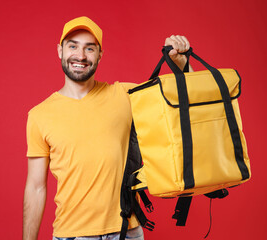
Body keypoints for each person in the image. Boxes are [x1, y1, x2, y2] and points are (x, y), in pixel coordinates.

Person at [23, 16, 192, 240]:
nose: (80, 56)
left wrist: (183, 65)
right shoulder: (39, 115)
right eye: (72, 46)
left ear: (100, 55)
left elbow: (185, 102)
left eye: (89, 48)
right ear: (60, 51)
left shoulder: (125, 95)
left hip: (127, 231)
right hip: (72, 234)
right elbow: (36, 188)